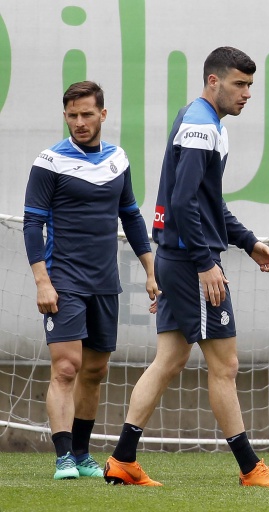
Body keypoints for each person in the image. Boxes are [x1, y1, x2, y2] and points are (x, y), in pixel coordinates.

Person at [103, 47, 269, 488]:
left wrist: (248, 243)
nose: (247, 93)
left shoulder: (202, 122)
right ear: (213, 80)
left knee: (169, 359)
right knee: (225, 365)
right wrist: (205, 263)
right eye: (239, 84)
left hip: (179, 257)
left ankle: (123, 459)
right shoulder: (201, 127)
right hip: (192, 262)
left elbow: (207, 202)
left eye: (250, 85)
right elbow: (183, 202)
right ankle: (250, 468)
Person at [23, 81, 158, 480]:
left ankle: (82, 454)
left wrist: (151, 270)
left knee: (95, 371)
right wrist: (42, 281)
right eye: (72, 115)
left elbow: (130, 215)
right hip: (63, 280)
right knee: (67, 367)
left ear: (103, 114)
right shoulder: (49, 162)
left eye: (86, 114)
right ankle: (63, 456)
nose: (79, 122)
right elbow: (32, 224)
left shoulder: (118, 159)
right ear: (65, 116)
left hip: (105, 282)